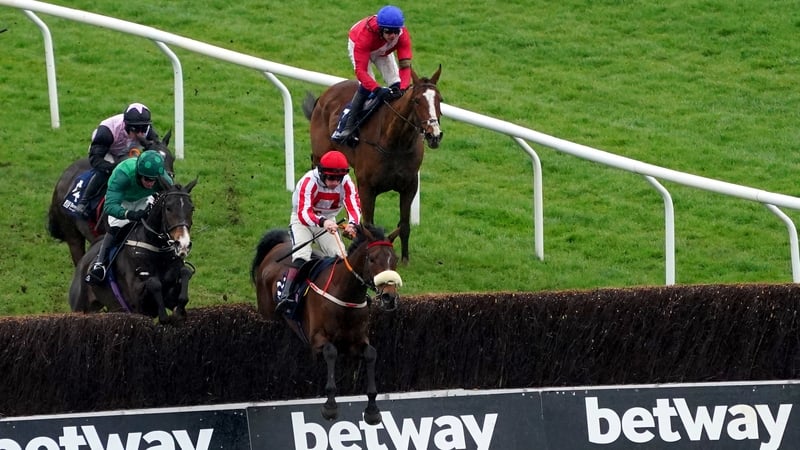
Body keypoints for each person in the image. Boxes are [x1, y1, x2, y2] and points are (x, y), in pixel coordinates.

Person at [275, 150, 362, 314]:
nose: (335, 183)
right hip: (302, 221)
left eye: (338, 178)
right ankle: (287, 295)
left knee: (341, 257)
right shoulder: (308, 181)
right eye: (331, 178)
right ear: (321, 173)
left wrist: (352, 225)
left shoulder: (347, 182)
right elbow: (303, 212)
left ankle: (347, 295)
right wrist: (323, 222)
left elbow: (354, 205)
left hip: (328, 221)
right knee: (302, 256)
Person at [85, 150, 173, 284]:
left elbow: (172, 198)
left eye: (154, 180)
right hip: (122, 201)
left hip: (144, 198)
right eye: (147, 179)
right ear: (138, 174)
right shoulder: (123, 174)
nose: (151, 183)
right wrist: (129, 214)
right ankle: (100, 263)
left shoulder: (164, 179)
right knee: (117, 226)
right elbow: (110, 206)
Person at [331, 5, 412, 143]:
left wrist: (403, 88)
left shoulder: (402, 35)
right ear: (381, 29)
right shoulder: (365, 36)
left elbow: (405, 67)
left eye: (396, 31)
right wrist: (377, 89)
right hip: (359, 44)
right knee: (368, 86)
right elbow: (361, 72)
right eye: (388, 32)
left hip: (383, 51)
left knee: (396, 84)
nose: (393, 36)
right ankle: (347, 126)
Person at [74, 103, 160, 216]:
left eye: (143, 129)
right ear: (126, 125)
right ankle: (84, 201)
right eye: (136, 130)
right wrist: (113, 168)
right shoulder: (107, 131)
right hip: (107, 151)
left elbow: (157, 150)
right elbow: (95, 159)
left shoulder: (147, 130)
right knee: (105, 173)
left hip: (127, 152)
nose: (140, 134)